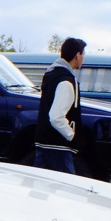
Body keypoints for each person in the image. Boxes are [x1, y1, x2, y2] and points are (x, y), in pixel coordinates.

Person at [34, 38, 87, 174]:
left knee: (40, 187)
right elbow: (56, 117)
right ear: (78, 55)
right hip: (59, 146)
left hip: (43, 141)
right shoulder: (66, 81)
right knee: (66, 189)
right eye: (84, 54)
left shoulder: (51, 74)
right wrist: (71, 135)